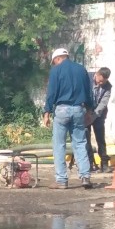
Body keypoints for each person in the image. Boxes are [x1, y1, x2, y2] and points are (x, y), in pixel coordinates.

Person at [42, 48, 95, 189]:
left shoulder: (56, 70)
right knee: (80, 143)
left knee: (59, 145)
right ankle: (85, 177)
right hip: (78, 109)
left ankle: (61, 180)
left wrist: (46, 112)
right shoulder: (81, 69)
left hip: (62, 110)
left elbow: (51, 92)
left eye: (54, 62)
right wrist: (89, 110)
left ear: (57, 58)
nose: (54, 64)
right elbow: (88, 92)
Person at [87, 67, 112, 173]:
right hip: (86, 113)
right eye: (100, 80)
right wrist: (87, 113)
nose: (101, 83)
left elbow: (103, 102)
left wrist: (95, 115)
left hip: (98, 115)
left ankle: (104, 163)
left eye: (103, 81)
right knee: (86, 139)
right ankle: (89, 163)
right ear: (96, 74)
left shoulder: (108, 86)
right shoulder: (87, 78)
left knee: (100, 139)